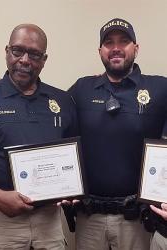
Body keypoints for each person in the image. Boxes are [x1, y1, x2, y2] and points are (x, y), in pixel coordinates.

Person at [0, 24, 78, 250]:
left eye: (34, 54)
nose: (25, 60)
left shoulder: (63, 101)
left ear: (44, 59)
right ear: (7, 51)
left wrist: (71, 189)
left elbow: (72, 157)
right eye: (18, 51)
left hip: (49, 221)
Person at [68, 18, 167, 250]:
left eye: (124, 41)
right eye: (108, 42)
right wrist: (3, 88)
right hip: (89, 218)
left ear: (136, 48)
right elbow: (46, 110)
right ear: (100, 51)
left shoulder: (160, 88)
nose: (116, 47)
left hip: (135, 220)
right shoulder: (82, 88)